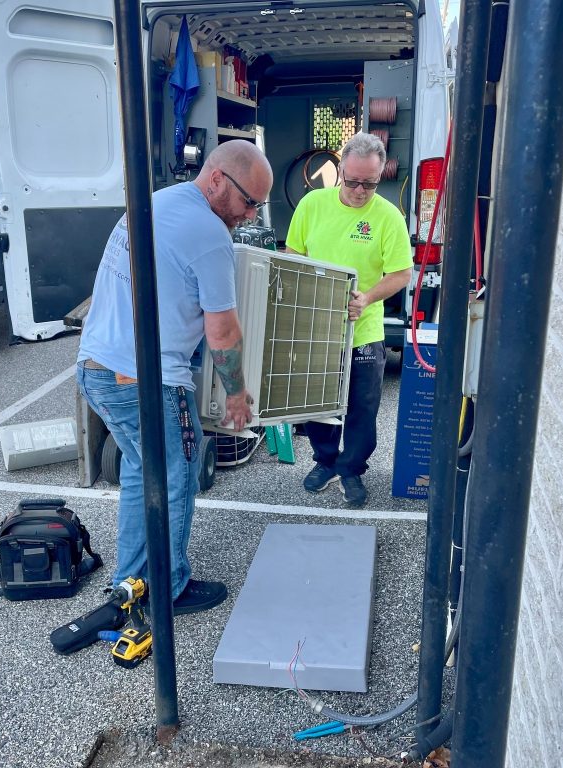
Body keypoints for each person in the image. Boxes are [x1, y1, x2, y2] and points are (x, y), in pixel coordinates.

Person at [77, 139, 273, 614]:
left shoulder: (158, 202)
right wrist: (237, 394)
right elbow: (223, 331)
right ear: (217, 179)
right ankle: (167, 589)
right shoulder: (209, 236)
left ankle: (131, 582)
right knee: (176, 477)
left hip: (97, 368)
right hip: (148, 382)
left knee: (143, 471)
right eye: (249, 202)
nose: (250, 216)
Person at [285, 132, 412, 508]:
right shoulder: (313, 204)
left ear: (380, 176)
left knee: (362, 404)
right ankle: (324, 461)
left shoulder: (389, 217)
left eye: (369, 184)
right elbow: (294, 255)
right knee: (319, 399)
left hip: (364, 328)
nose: (360, 191)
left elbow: (402, 273)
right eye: (353, 181)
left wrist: (368, 297)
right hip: (318, 326)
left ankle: (352, 468)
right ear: (340, 171)